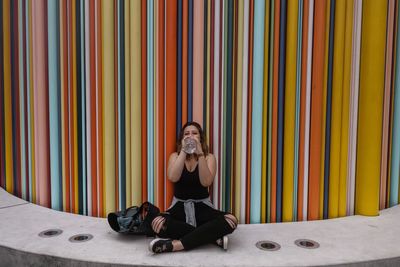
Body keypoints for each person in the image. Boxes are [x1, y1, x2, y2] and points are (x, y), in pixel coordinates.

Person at [148, 121, 238, 253]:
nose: (190, 136)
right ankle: (211, 237)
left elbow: (206, 182)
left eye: (194, 133)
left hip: (203, 208)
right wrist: (184, 151)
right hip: (179, 208)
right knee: (158, 223)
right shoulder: (175, 156)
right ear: (182, 139)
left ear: (200, 138)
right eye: (187, 134)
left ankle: (175, 245)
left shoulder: (209, 157)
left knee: (231, 220)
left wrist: (200, 153)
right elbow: (173, 177)